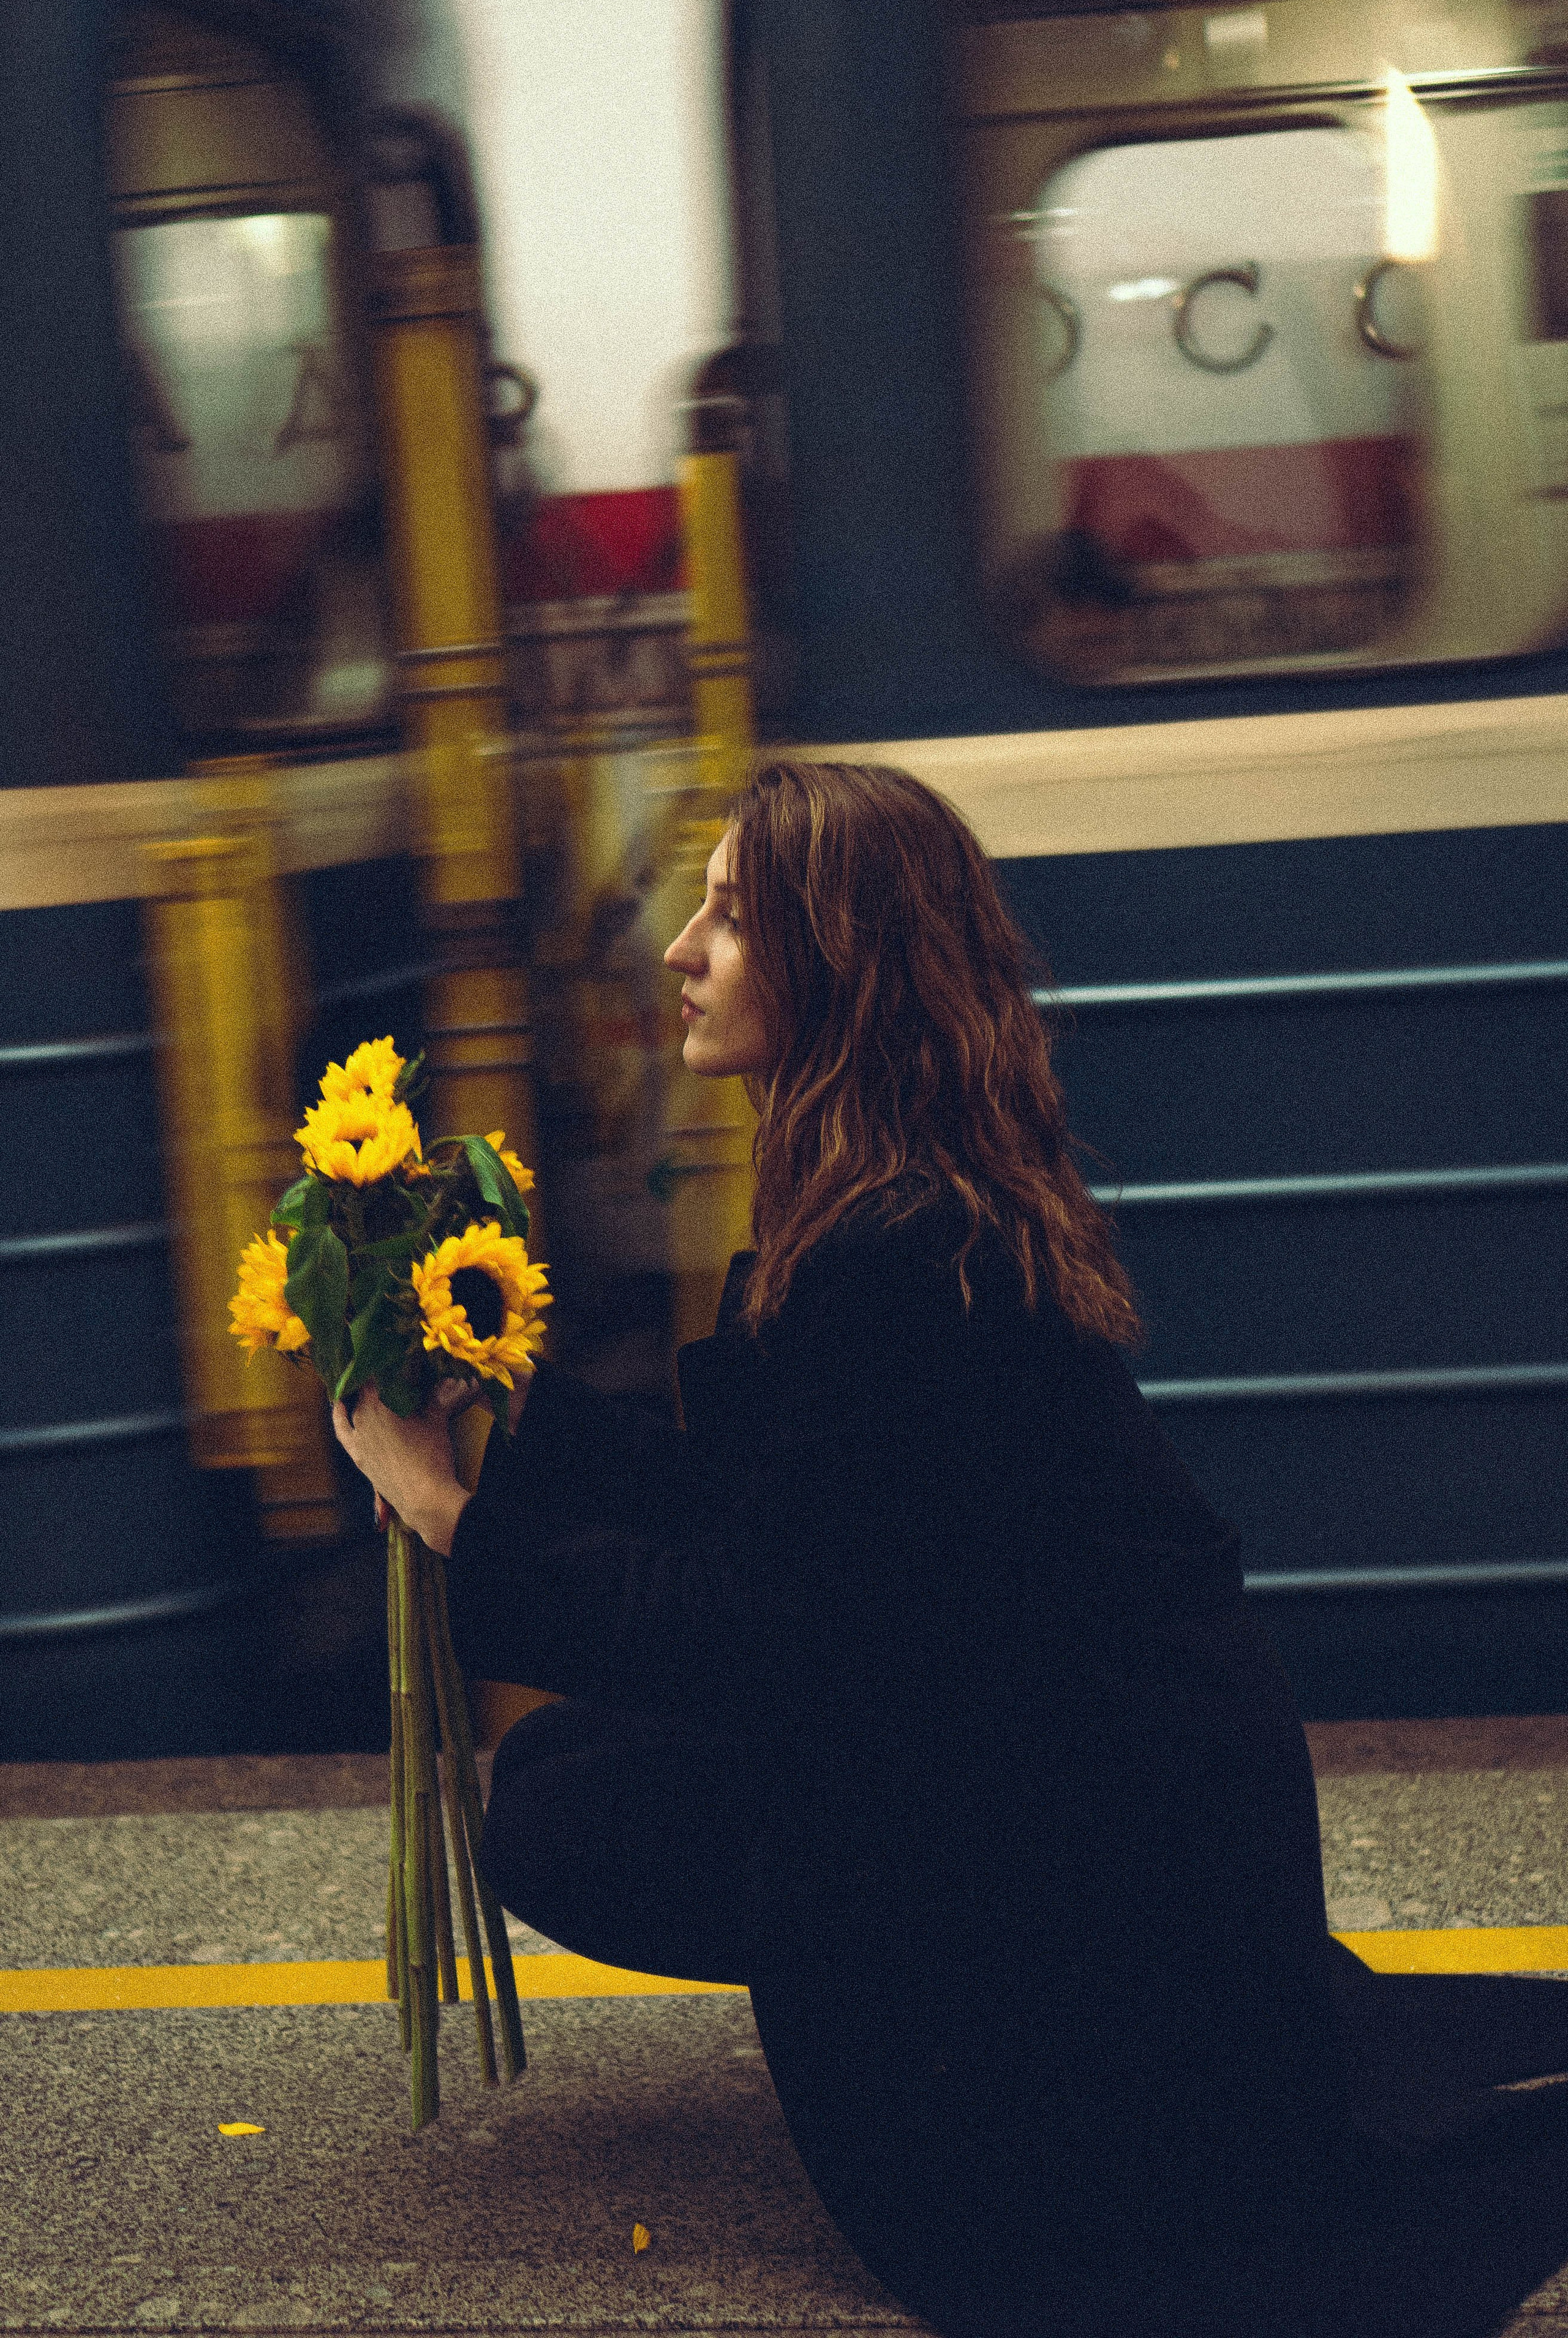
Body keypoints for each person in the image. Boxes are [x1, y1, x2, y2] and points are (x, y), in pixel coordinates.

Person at [336, 758, 1568, 2338]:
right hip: (1086, 1812)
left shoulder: (905, 1258)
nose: (677, 950)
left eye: (728, 917)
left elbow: (771, 1620)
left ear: (838, 972)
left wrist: (451, 1516)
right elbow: (787, 1507)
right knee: (581, 1778)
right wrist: (517, 1418)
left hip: (1054, 1890)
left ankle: (990, 2058)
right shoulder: (906, 1204)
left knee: (586, 1805)